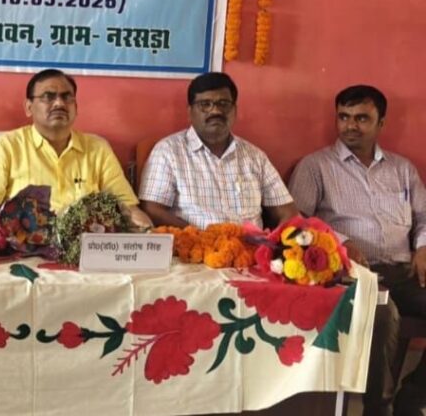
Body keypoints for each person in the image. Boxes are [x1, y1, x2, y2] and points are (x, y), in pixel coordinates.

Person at [289, 85, 425, 416]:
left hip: (404, 270)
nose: (351, 125)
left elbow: (423, 218)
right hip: (351, 273)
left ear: (381, 123)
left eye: (362, 118)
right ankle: (378, 409)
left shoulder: (402, 169)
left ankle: (412, 398)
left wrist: (423, 248)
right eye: (344, 117)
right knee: (383, 316)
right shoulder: (315, 166)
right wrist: (339, 242)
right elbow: (296, 223)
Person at [0, 69, 150, 227]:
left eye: (67, 97)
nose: (59, 103)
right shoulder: (7, 147)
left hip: (86, 248)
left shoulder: (97, 149)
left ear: (76, 107)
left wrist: (147, 233)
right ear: (29, 107)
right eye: (48, 96)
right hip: (23, 248)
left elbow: (127, 208)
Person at [139, 71, 298, 229]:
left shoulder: (255, 157)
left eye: (223, 104)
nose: (215, 111)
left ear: (234, 110)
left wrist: (275, 241)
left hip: (250, 243)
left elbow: (288, 211)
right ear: (190, 112)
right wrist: (198, 236)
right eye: (205, 104)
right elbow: (152, 209)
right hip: (193, 243)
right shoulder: (168, 152)